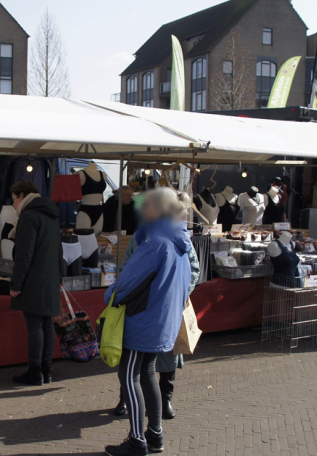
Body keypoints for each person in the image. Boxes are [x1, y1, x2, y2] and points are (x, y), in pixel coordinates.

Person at [104, 188, 193, 456]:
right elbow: (186, 283)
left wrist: (110, 295)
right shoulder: (181, 242)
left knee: (128, 376)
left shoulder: (155, 242)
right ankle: (154, 435)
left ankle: (136, 440)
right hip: (161, 321)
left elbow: (125, 283)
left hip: (142, 320)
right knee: (147, 374)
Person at [113, 207, 201, 421]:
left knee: (158, 360)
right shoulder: (144, 237)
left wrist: (178, 294)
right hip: (153, 309)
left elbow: (193, 270)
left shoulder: (177, 240)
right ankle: (128, 400)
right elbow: (127, 268)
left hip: (154, 311)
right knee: (139, 366)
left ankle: (164, 401)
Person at [8, 181, 64, 386]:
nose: (13, 205)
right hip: (49, 278)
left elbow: (24, 254)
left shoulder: (28, 216)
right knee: (47, 325)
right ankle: (45, 370)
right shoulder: (51, 215)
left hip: (33, 279)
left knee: (35, 327)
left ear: (21, 195)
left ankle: (34, 372)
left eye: (14, 200)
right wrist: (59, 277)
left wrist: (16, 284)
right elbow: (59, 250)